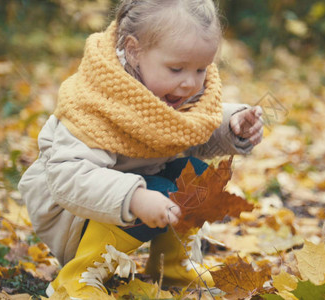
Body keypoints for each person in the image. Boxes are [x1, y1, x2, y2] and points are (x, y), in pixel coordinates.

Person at [18, 0, 264, 298]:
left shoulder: (166, 91)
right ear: (133, 51)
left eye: (201, 69)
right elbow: (68, 177)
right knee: (162, 188)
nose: (190, 83)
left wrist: (233, 124)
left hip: (135, 197)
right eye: (176, 69)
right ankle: (76, 276)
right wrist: (133, 197)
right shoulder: (94, 104)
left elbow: (192, 129)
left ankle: (172, 265)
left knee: (196, 176)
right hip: (73, 212)